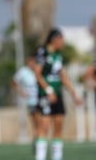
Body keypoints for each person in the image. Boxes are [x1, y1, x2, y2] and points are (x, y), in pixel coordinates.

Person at [34, 28, 82, 160]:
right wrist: (49, 91)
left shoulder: (58, 55)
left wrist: (74, 94)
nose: (63, 43)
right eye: (61, 39)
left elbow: (63, 77)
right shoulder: (42, 52)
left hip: (58, 94)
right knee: (44, 126)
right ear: (54, 39)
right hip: (45, 94)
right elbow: (37, 74)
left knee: (58, 126)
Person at [11, 54, 40, 146]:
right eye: (31, 62)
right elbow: (13, 83)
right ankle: (37, 141)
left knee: (43, 123)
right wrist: (21, 92)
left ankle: (39, 140)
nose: (33, 64)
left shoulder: (39, 70)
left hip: (42, 100)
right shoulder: (23, 72)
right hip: (32, 101)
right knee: (37, 123)